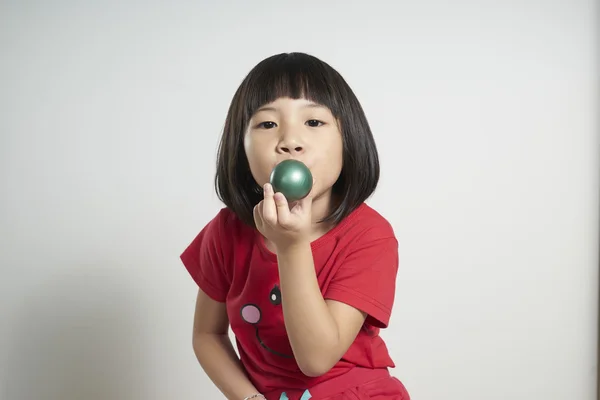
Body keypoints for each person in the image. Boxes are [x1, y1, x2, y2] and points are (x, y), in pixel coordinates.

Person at [180, 52, 410, 400]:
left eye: (314, 122)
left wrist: (291, 247)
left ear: (348, 140)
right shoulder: (227, 231)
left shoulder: (369, 235)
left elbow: (316, 358)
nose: (290, 141)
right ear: (240, 147)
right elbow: (207, 335)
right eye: (267, 124)